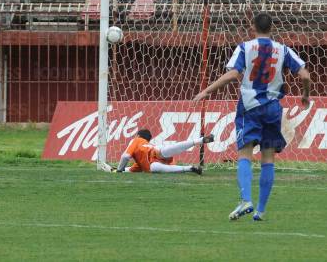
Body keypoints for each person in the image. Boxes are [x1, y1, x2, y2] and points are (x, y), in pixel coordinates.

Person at [193, 13, 311, 221]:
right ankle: (261, 211)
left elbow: (232, 74)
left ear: (252, 26)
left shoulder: (244, 48)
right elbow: (305, 75)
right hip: (273, 109)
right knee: (268, 158)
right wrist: (305, 95)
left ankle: (246, 200)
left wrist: (206, 91)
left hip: (249, 107)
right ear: (272, 28)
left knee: (245, 154)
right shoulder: (283, 49)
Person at [114, 129, 213, 174]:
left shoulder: (135, 140)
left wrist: (118, 170)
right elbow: (131, 169)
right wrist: (118, 170)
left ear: (138, 136)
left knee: (156, 168)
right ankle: (200, 140)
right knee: (171, 148)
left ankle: (189, 168)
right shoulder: (145, 148)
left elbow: (125, 157)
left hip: (152, 163)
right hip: (157, 151)